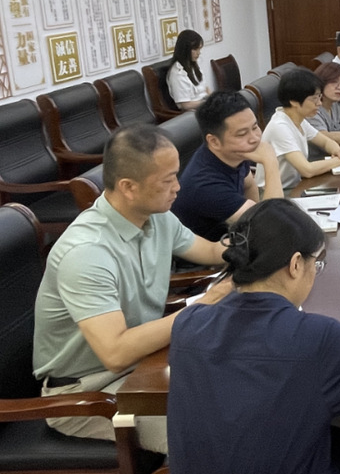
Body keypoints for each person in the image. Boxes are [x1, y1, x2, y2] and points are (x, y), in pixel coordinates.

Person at [167, 199, 340, 474]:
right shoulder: (319, 337)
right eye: (315, 263)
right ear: (295, 264)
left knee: (329, 435)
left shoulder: (187, 324)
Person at [32, 124, 231, 453]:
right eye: (167, 180)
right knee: (215, 433)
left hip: (143, 366)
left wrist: (259, 244)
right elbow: (116, 353)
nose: (178, 187)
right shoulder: (87, 252)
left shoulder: (156, 216)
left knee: (243, 386)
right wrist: (202, 305)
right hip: (87, 394)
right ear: (128, 187)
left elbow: (210, 251)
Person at [171, 91, 283, 242]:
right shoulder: (206, 186)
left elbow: (249, 185)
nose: (254, 138)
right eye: (242, 134)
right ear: (214, 141)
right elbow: (272, 222)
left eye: (255, 127)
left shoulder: (233, 152)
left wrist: (255, 214)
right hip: (213, 253)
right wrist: (271, 163)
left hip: (234, 238)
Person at [256, 68, 340, 190]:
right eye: (314, 99)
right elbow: (307, 170)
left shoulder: (299, 119)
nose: (319, 103)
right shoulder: (280, 127)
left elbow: (325, 142)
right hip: (275, 193)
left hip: (295, 186)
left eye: (319, 97)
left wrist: (338, 151)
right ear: (294, 102)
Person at [167, 29, 210, 110]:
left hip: (205, 105)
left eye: (199, 49)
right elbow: (185, 105)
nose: (198, 53)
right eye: (195, 49)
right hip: (194, 111)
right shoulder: (177, 73)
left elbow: (206, 88)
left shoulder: (194, 65)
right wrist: (207, 103)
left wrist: (214, 99)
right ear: (185, 50)